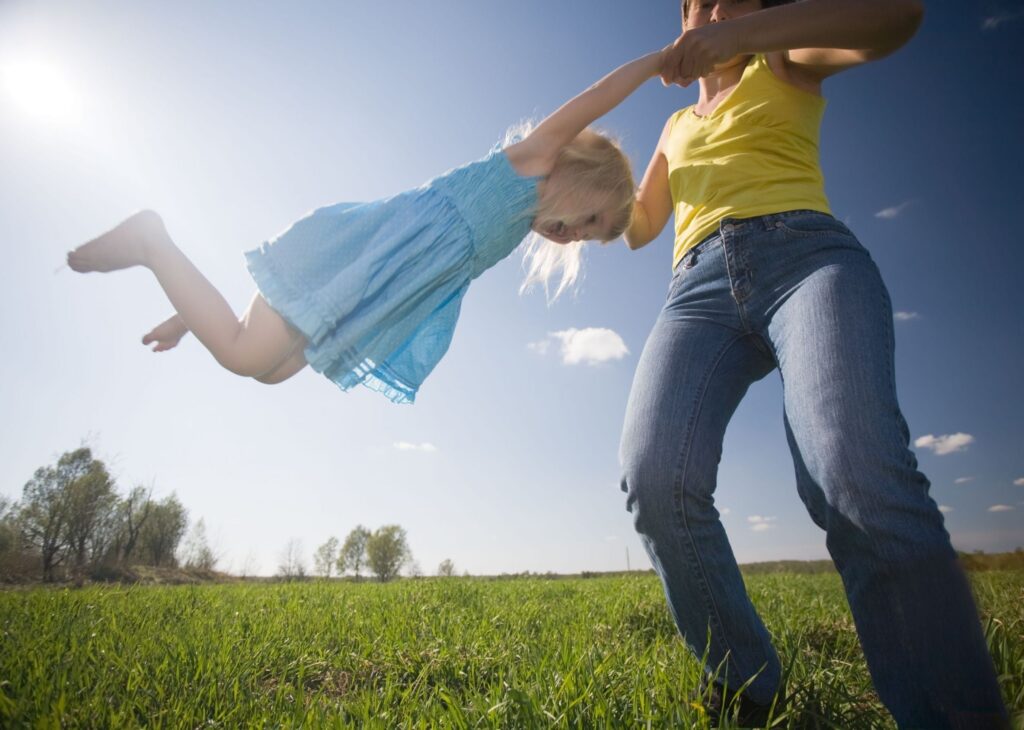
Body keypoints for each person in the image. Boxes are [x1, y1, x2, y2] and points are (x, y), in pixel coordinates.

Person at [619, 0, 1009, 727]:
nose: (720, 12)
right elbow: (637, 225)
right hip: (695, 293)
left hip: (806, 259)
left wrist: (746, 36)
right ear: (682, 15)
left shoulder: (784, 60)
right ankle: (747, 684)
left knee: (851, 473)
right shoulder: (673, 128)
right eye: (706, 3)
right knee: (652, 476)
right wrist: (570, 203)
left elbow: (897, 19)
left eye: (741, 3)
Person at [66, 47, 664, 403]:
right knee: (246, 356)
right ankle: (151, 240)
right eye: (588, 218)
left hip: (373, 289)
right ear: (584, 173)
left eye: (586, 236)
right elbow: (600, 93)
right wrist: (665, 58)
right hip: (364, 253)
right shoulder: (533, 158)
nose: (575, 234)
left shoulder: (519, 223)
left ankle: (190, 312)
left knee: (272, 371)